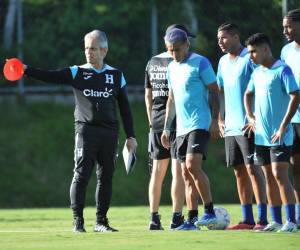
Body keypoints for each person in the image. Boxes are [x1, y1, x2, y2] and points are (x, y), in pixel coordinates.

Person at [23, 30, 137, 233]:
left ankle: (101, 222)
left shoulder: (116, 75)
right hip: (86, 131)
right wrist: (25, 69)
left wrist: (131, 136)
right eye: (86, 48)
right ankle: (78, 221)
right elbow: (50, 76)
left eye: (92, 48)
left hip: (110, 133)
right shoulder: (77, 72)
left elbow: (125, 109)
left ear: (104, 50)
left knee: (106, 176)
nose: (88, 52)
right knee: (81, 175)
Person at [161, 28, 220, 230]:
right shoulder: (171, 68)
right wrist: (167, 128)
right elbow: (171, 99)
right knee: (185, 173)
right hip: (181, 128)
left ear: (187, 44)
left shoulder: (201, 62)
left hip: (200, 123)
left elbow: (214, 91)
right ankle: (192, 219)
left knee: (193, 165)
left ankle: (210, 211)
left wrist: (215, 119)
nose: (175, 54)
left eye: (178, 49)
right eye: (170, 50)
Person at [244, 33, 299, 232]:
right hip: (261, 136)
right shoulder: (257, 72)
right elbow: (247, 94)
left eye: (253, 51)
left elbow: (295, 95)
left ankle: (291, 221)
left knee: (279, 174)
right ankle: (275, 220)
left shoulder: (283, 70)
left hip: (280, 134)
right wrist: (250, 117)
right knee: (268, 175)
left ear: (265, 49)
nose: (251, 56)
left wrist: (284, 125)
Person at [145, 24, 197, 230]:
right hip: (177, 122)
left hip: (156, 122)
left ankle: (153, 217)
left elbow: (148, 95)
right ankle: (176, 217)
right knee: (177, 172)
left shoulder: (152, 62)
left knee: (157, 173)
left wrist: (151, 121)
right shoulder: (180, 63)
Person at [216, 23, 268, 230]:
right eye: (218, 38)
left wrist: (255, 116)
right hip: (231, 126)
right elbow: (220, 90)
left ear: (236, 37)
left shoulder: (250, 58)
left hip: (249, 126)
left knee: (253, 169)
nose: (220, 42)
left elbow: (263, 83)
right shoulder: (222, 61)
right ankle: (247, 219)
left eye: (224, 38)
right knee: (239, 171)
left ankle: (263, 219)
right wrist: (220, 118)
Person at [281, 8, 300, 229]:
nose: (286, 31)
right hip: (291, 118)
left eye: (289, 26)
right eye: (284, 27)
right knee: (295, 167)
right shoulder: (286, 51)